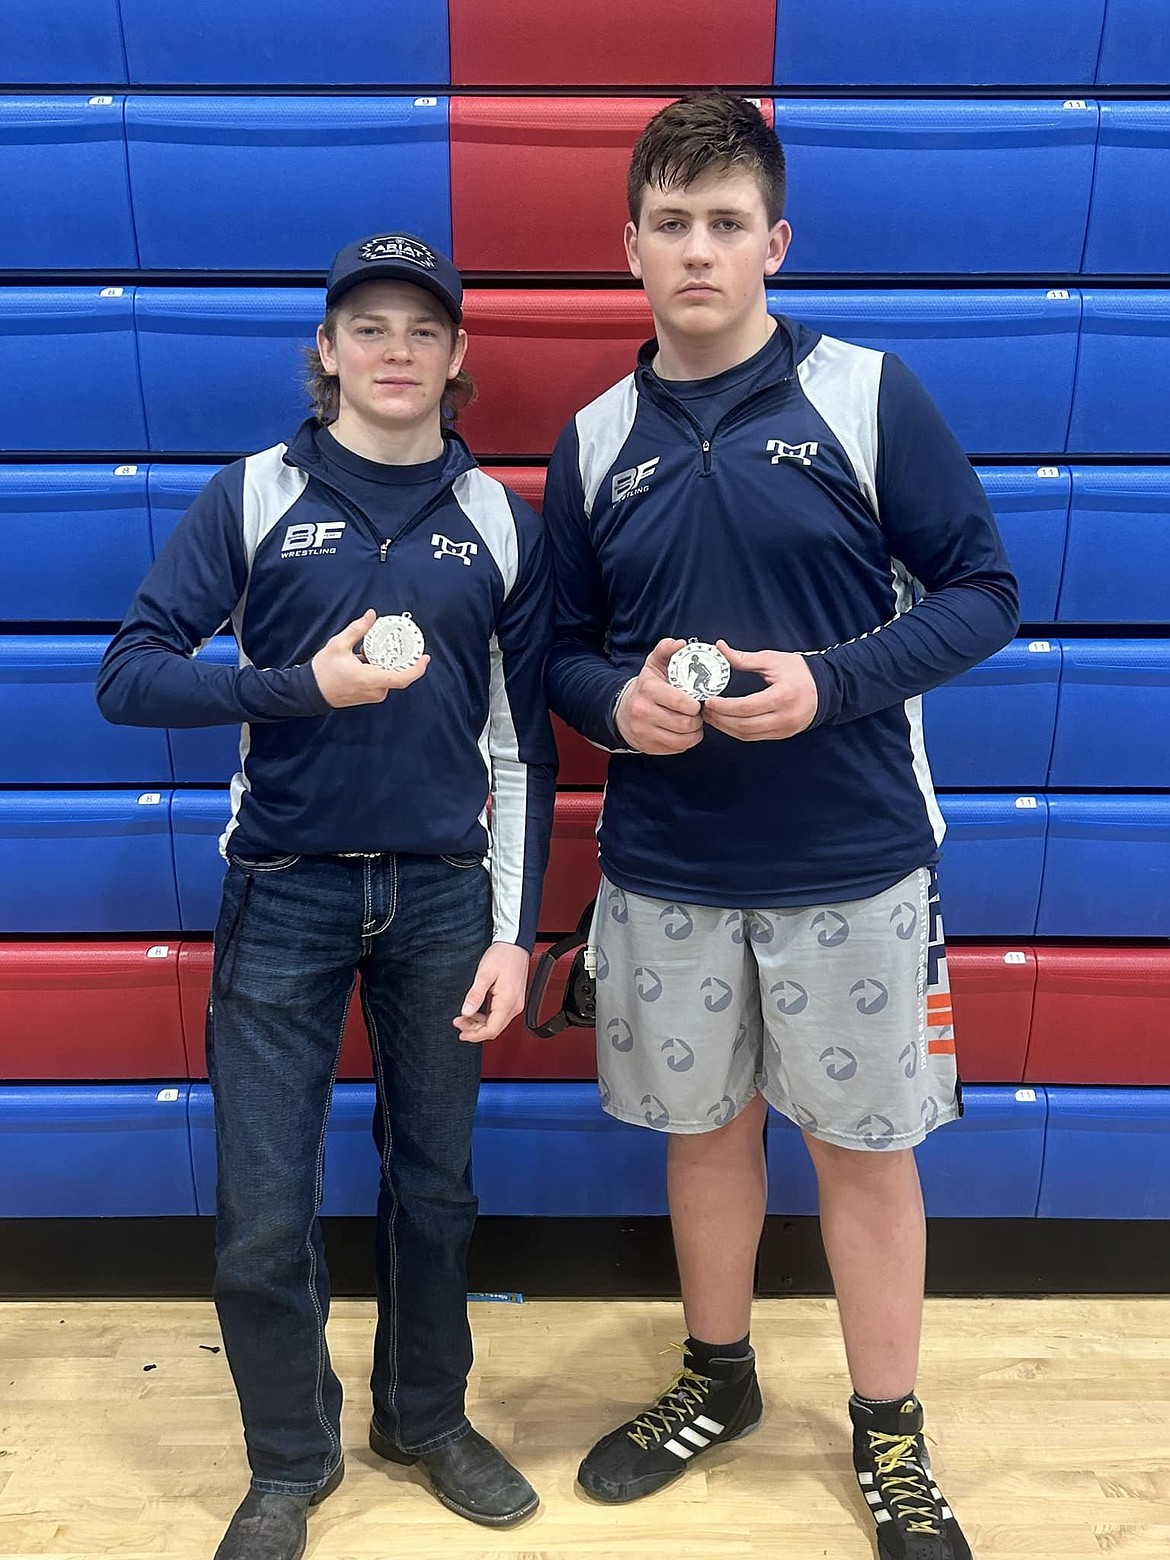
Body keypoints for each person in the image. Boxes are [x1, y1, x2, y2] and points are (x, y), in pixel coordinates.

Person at [543, 93, 1018, 1560]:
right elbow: (556, 648)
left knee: (868, 1153)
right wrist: (618, 707)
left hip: (851, 862)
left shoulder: (870, 395)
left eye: (725, 224)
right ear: (628, 247)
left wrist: (829, 686)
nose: (697, 250)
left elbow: (981, 594)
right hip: (669, 868)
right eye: (670, 224)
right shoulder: (590, 436)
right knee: (704, 1137)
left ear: (774, 243)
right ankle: (718, 1380)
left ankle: (888, 1430)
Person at [98, 232, 556, 1559]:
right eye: (368, 327)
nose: (395, 350)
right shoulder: (250, 496)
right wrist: (300, 687)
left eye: (421, 329)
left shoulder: (497, 523)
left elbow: (521, 752)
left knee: (435, 1188)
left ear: (457, 356)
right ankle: (288, 1460)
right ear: (326, 350)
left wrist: (516, 940)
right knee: (260, 1202)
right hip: (284, 894)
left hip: (440, 905)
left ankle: (425, 1418)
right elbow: (131, 675)